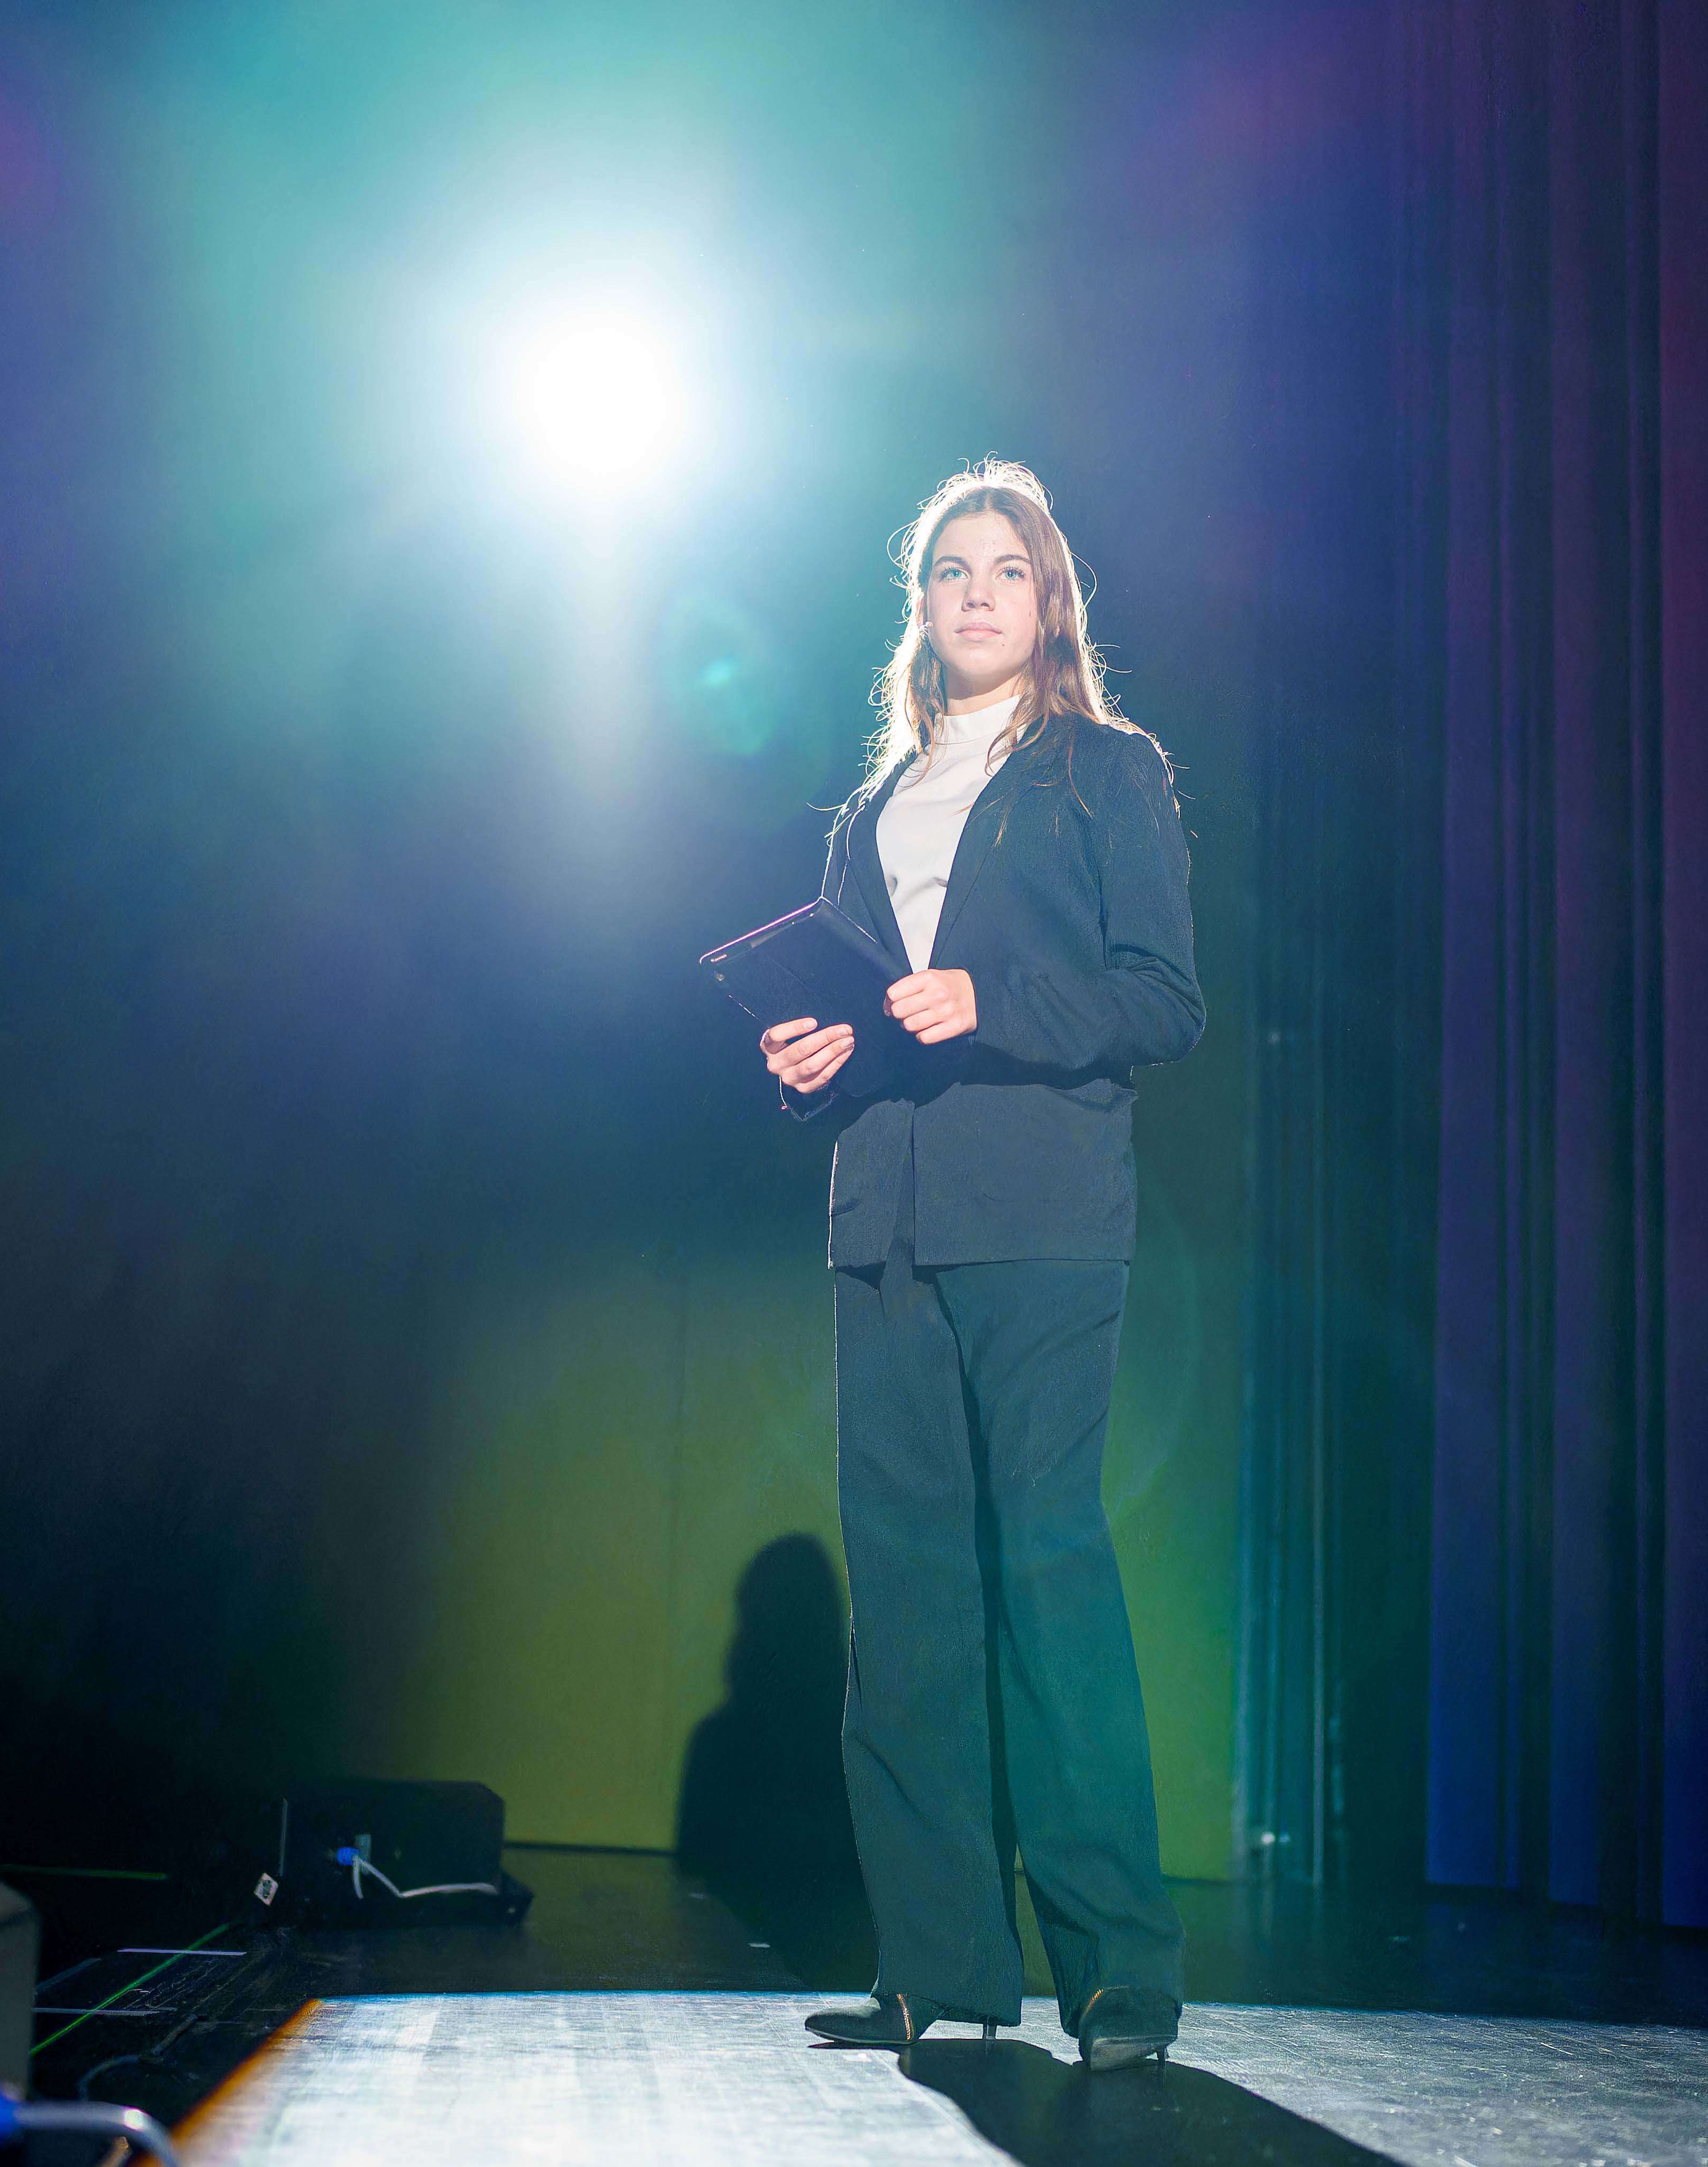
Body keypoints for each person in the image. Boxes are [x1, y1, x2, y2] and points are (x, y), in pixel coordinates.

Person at [758, 461, 1201, 2070]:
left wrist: (989, 1004)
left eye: (1008, 568)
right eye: (952, 569)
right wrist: (809, 1058)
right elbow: (858, 1015)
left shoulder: (1106, 771)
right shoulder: (871, 810)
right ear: (922, 607)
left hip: (1041, 1216)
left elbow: (1165, 999)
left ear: (1050, 599)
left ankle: (1119, 1974)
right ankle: (937, 1962)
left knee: (1047, 1577)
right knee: (908, 1602)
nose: (978, 592)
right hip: (883, 1221)